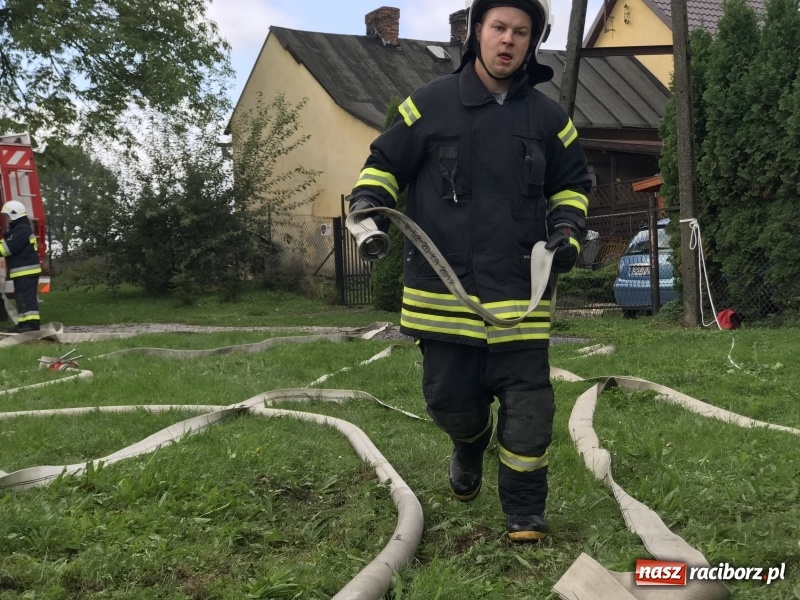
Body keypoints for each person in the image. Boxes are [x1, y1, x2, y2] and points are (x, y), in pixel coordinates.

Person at [347, 0, 591, 542]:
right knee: (449, 405)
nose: (507, 39)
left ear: (533, 41)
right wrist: (369, 199)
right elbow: (385, 164)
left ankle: (524, 513)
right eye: (498, 27)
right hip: (444, 301)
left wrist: (567, 229)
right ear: (477, 31)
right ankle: (467, 444)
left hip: (521, 304)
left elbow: (573, 183)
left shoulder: (550, 120)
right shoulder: (429, 105)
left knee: (530, 412)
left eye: (521, 31)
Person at [0, 200, 42, 332]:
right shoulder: (19, 229)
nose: (7, 219)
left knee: (27, 297)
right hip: (22, 272)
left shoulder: (21, 230)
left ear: (14, 215)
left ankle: (32, 324)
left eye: (7, 216)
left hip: (26, 271)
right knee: (21, 297)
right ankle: (24, 323)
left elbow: (6, 250)